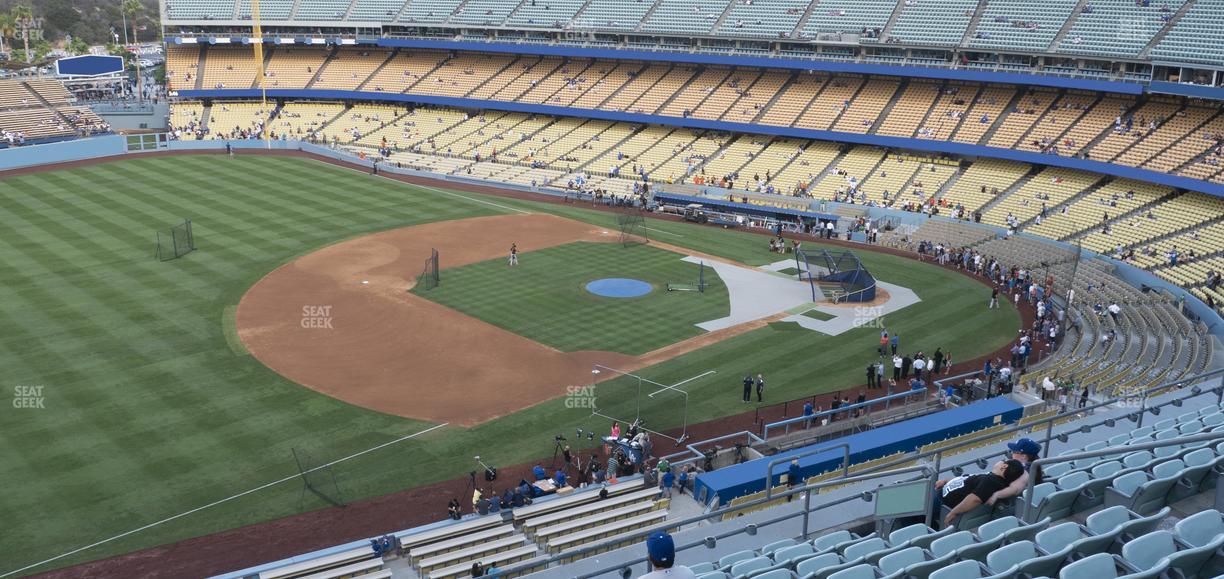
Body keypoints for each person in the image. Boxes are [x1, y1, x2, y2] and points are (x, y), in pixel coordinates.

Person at [935, 459, 1026, 529]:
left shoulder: (991, 481)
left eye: (1003, 460)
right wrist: (945, 481)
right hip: (942, 489)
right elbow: (965, 480)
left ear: (1004, 466)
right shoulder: (991, 477)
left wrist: (953, 512)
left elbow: (975, 499)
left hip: (941, 501)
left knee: (922, 509)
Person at [987, 439, 1042, 506]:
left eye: (1014, 451)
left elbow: (1014, 489)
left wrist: (996, 495)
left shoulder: (1023, 471)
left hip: (1015, 505)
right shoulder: (1035, 466)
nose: (1011, 453)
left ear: (1023, 456)